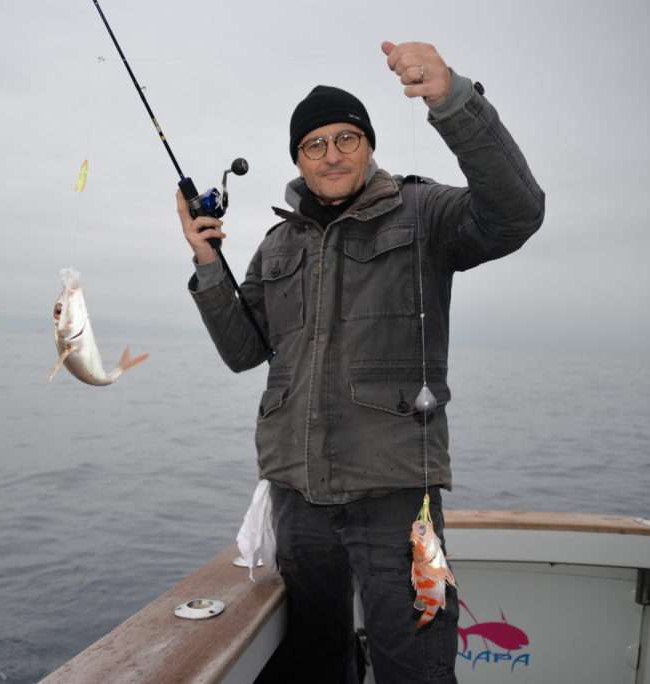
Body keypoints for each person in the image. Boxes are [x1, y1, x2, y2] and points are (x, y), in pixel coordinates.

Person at [176, 40, 544, 683]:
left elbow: (516, 212)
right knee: (317, 662)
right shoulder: (277, 243)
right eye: (314, 145)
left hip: (396, 497)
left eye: (346, 138)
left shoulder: (424, 213)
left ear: (369, 144)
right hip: (298, 496)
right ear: (298, 159)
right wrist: (208, 263)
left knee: (416, 666)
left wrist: (451, 99)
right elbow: (242, 352)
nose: (332, 154)